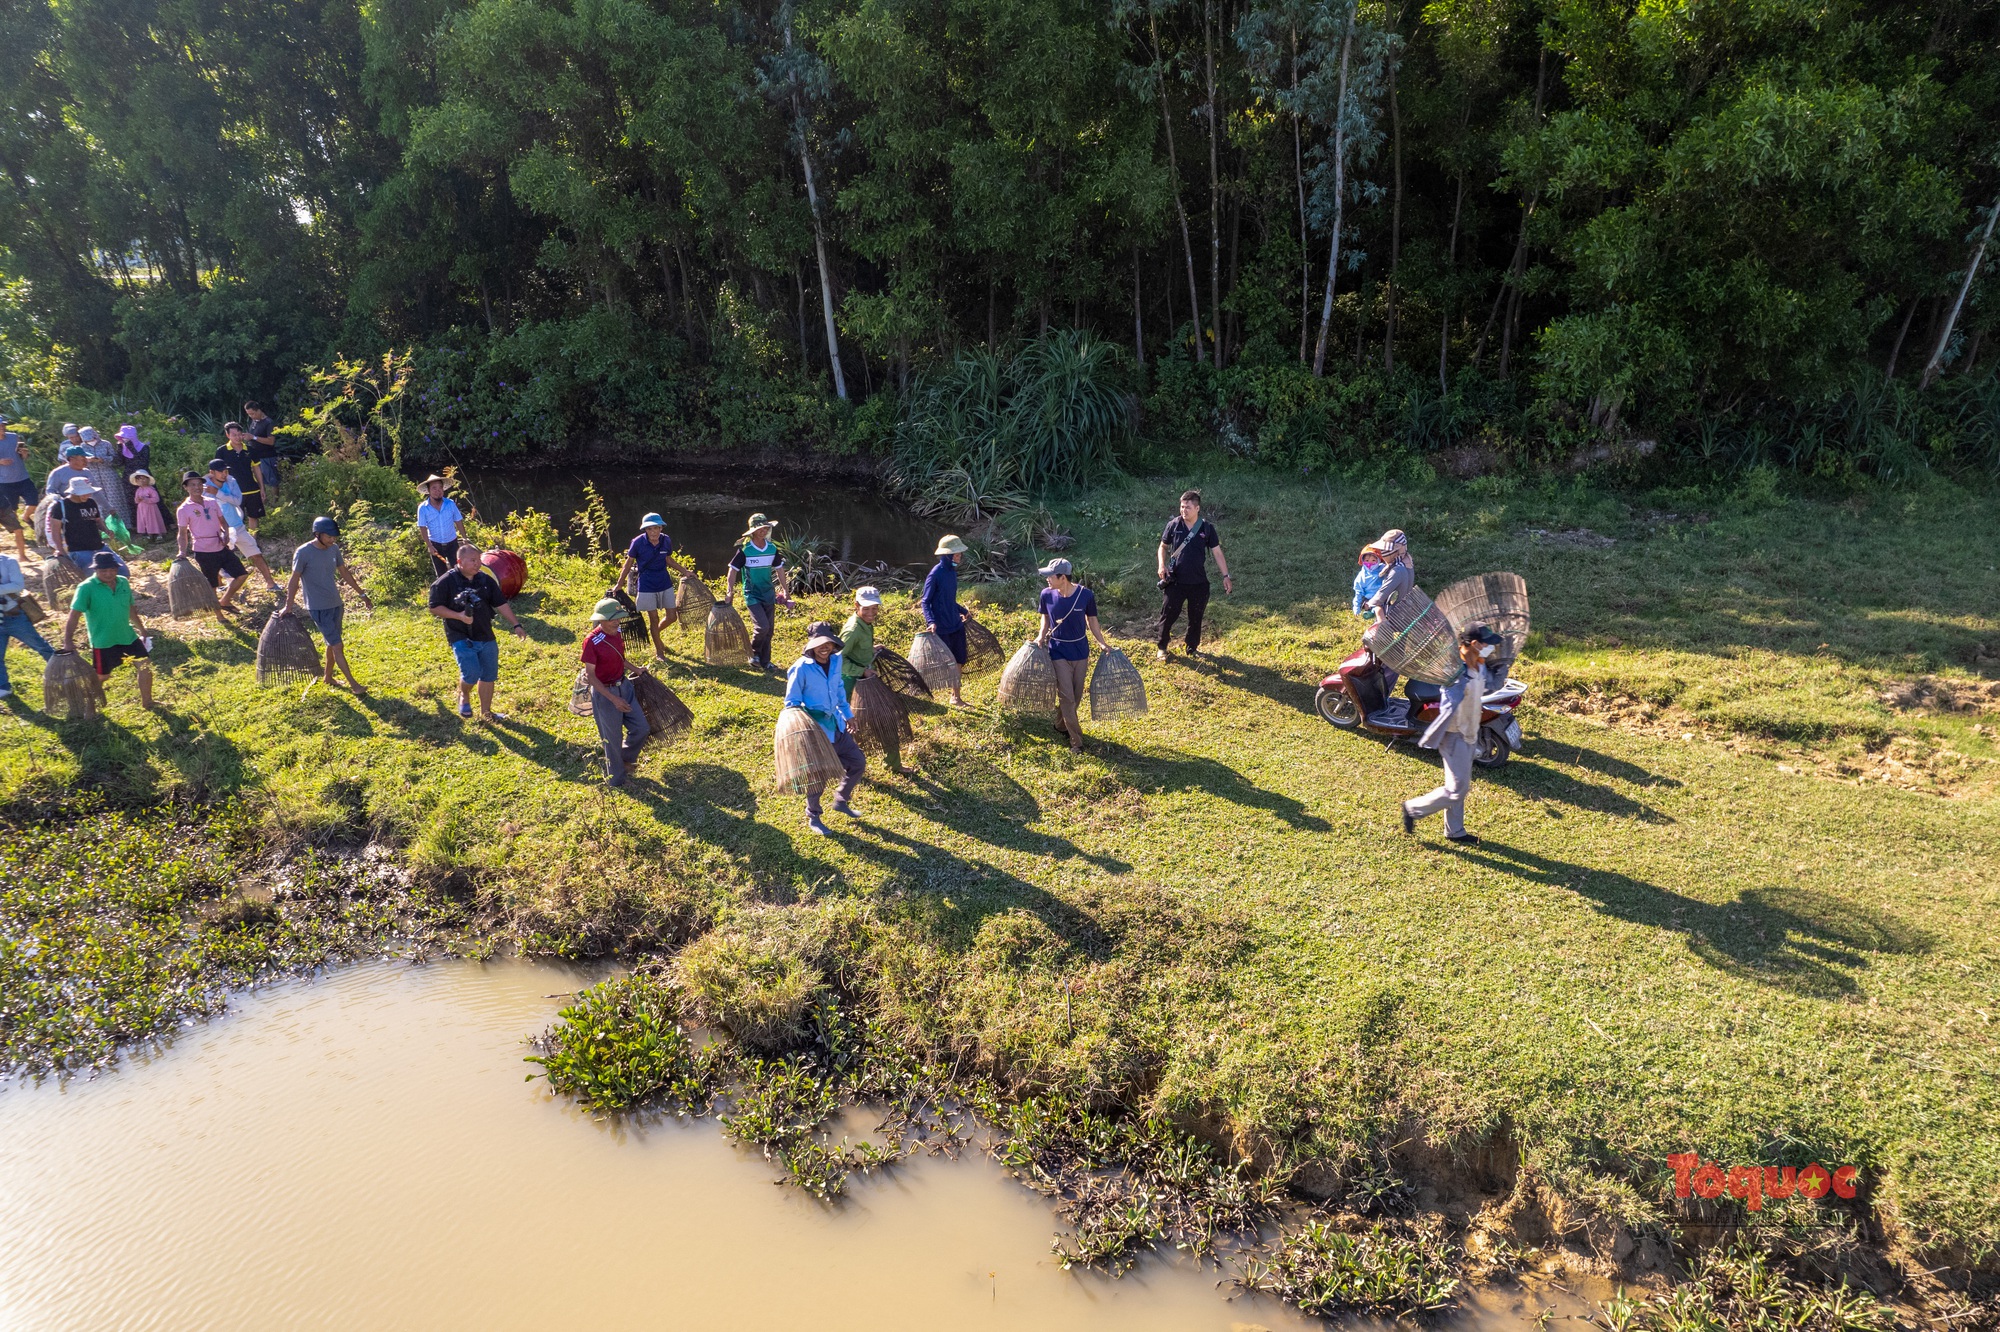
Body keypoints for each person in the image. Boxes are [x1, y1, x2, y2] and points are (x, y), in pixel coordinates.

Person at [1400, 625, 1503, 846]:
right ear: (1475, 644)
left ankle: (1455, 831)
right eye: (1487, 644)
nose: (1490, 647)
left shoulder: (1478, 665)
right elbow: (1450, 698)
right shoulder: (1455, 672)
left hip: (1468, 733)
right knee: (1457, 790)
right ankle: (1412, 809)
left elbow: (1488, 685)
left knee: (1459, 784)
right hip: (1454, 736)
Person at [784, 620, 866, 836]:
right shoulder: (800, 668)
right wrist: (809, 718)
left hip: (837, 724)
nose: (824, 649)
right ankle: (814, 816)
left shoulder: (836, 661)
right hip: (815, 730)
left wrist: (848, 716)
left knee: (857, 761)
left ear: (833, 644)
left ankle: (841, 799)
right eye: (820, 644)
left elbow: (838, 690)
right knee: (817, 775)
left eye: (828, 644)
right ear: (811, 645)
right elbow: (791, 702)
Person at [429, 541, 526, 722]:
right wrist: (458, 615)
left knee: (489, 674)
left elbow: (500, 603)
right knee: (471, 674)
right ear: (459, 561)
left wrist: (516, 625)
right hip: (460, 635)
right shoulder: (445, 582)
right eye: (472, 560)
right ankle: (464, 694)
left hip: (485, 633)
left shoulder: (485, 580)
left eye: (478, 560)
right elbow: (434, 607)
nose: (477, 564)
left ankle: (486, 713)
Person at [284, 516, 374, 692]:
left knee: (332, 644)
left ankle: (328, 677)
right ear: (317, 534)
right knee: (338, 645)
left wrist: (362, 594)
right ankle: (354, 685)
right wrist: (288, 605)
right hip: (318, 607)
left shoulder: (333, 549)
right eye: (329, 536)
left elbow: (344, 573)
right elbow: (294, 580)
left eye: (334, 537)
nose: (333, 540)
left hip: (335, 604)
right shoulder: (303, 552)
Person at [1035, 558, 1116, 753]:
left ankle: (1060, 724)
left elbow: (1092, 621)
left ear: (1062, 577)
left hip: (1080, 651)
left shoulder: (1085, 595)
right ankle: (1076, 741)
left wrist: (1102, 642)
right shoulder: (1046, 595)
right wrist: (1040, 637)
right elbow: (1045, 620)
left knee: (1076, 695)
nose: (1047, 579)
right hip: (1058, 651)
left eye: (1050, 576)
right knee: (1067, 697)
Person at [65, 550, 154, 710]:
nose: (108, 573)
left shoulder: (122, 582)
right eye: (103, 570)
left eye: (112, 569)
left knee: (145, 666)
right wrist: (68, 641)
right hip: (104, 641)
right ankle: (89, 708)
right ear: (95, 570)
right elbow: (74, 615)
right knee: (102, 676)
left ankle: (148, 702)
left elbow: (131, 609)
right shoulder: (86, 588)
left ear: (117, 569)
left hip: (127, 636)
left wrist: (142, 629)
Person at [1155, 489, 1231, 662]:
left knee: (1196, 617)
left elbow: (1217, 552)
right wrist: (1161, 565)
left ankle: (1192, 647)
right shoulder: (1174, 525)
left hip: (1198, 582)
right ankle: (1162, 647)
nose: (1183, 511)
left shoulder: (1207, 528)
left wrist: (1226, 576)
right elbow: (1163, 546)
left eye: (1187, 507)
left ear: (1197, 508)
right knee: (1168, 615)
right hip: (1175, 581)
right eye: (1182, 507)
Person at [580, 598, 649, 787]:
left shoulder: (617, 632)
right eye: (612, 619)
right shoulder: (592, 641)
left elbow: (621, 659)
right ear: (601, 620)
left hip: (624, 686)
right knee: (612, 739)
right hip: (605, 694)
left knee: (641, 728)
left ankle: (625, 759)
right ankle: (617, 781)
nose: (617, 622)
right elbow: (591, 676)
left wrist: (636, 669)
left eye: (618, 618)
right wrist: (613, 699)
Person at [839, 585, 905, 773]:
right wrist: (862, 671)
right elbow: (838, 660)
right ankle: (849, 766)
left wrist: (871, 649)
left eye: (874, 608)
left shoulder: (865, 624)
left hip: (865, 679)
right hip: (852, 682)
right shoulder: (852, 629)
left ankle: (893, 763)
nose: (871, 612)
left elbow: (856, 651)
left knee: (884, 718)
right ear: (856, 606)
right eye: (866, 609)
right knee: (853, 724)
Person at [204, 458, 280, 594]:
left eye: (225, 470)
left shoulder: (231, 481)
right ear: (211, 472)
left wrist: (218, 493)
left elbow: (238, 500)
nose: (224, 473)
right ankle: (220, 587)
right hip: (218, 530)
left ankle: (271, 583)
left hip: (237, 526)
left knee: (255, 553)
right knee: (218, 559)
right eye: (220, 471)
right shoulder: (204, 487)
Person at [725, 513, 789, 674]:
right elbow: (732, 571)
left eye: (766, 528)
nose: (763, 530)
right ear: (753, 531)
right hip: (752, 595)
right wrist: (729, 592)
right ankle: (753, 653)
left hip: (769, 595)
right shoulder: (745, 550)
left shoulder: (772, 548)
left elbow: (780, 570)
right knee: (762, 627)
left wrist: (785, 591)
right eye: (760, 528)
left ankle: (765, 661)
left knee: (770, 630)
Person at [176, 472, 247, 615]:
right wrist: (182, 552)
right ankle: (219, 615)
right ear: (186, 487)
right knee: (213, 584)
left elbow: (223, 521)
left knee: (242, 574)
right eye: (193, 485)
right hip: (203, 551)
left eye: (199, 484)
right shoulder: (184, 509)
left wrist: (226, 533)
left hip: (221, 546)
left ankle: (225, 601)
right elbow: (183, 533)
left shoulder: (211, 502)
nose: (197, 487)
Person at [919, 534, 977, 707]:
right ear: (946, 555)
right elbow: (925, 601)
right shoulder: (935, 574)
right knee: (950, 662)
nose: (959, 557)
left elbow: (949, 600)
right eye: (956, 554)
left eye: (960, 553)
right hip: (942, 626)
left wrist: (963, 610)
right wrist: (931, 621)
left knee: (959, 660)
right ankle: (952, 695)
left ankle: (955, 697)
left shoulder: (952, 572)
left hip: (956, 624)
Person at [1357, 528, 1414, 694]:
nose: (1381, 553)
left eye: (1385, 551)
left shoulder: (1398, 571)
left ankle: (1380, 694)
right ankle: (1381, 691)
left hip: (1393, 619)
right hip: (1403, 615)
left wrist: (1367, 605)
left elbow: (1381, 595)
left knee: (1387, 658)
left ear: (1396, 552)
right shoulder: (1406, 563)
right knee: (1392, 657)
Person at [615, 512, 677, 658]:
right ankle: (659, 652)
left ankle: (655, 633)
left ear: (661, 528)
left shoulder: (666, 540)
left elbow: (669, 560)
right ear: (645, 530)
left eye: (656, 528)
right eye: (649, 529)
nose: (653, 532)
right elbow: (628, 563)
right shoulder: (637, 542)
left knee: (672, 616)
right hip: (647, 584)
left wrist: (686, 572)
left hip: (664, 581)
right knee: (653, 618)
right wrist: (619, 583)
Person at [0, 548, 55, 699]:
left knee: (40, 646)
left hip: (14, 616)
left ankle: (61, 672)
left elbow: (18, 585)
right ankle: (3, 686)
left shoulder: (7, 562)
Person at [51, 476, 125, 574]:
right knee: (97, 576)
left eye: (89, 492)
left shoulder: (91, 502)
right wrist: (60, 550)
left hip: (99, 547)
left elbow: (98, 521)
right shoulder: (60, 506)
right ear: (74, 492)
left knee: (123, 572)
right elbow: (55, 531)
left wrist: (106, 530)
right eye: (84, 493)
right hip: (79, 550)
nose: (88, 495)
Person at [78, 426, 132, 528]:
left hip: (109, 474)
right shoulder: (82, 447)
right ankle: (106, 528)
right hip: (93, 476)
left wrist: (102, 459)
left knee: (116, 499)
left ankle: (123, 525)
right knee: (98, 501)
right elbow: (80, 463)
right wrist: (88, 460)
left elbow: (115, 459)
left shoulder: (105, 444)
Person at [414, 475, 467, 578]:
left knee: (458, 571)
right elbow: (422, 528)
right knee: (441, 575)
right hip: (436, 544)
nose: (437, 491)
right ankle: (445, 593)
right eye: (434, 488)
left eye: (440, 488)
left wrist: (465, 538)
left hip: (452, 543)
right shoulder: (423, 508)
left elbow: (458, 521)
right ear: (428, 490)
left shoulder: (450, 504)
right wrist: (429, 545)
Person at [216, 422, 265, 529]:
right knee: (235, 518)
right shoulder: (222, 451)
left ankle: (253, 542)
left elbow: (257, 469)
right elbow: (217, 472)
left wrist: (262, 488)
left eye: (239, 434)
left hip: (252, 489)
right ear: (227, 435)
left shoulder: (250, 450)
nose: (238, 437)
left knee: (254, 516)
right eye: (234, 435)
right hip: (232, 492)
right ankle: (237, 543)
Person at [0, 414, 34, 559]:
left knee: (34, 501)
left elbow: (23, 456)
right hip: (4, 482)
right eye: (0, 425)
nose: (2, 427)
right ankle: (18, 539)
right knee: (11, 510)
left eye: (3, 425)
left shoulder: (14, 437)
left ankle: (26, 518)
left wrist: (24, 454)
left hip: (22, 477)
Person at [242, 402, 281, 502]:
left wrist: (253, 437)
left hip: (267, 456)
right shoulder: (254, 422)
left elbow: (271, 441)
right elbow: (253, 437)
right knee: (259, 480)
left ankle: (275, 502)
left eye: (252, 414)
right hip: (256, 457)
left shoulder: (269, 423)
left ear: (258, 410)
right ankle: (264, 501)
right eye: (249, 414)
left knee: (272, 480)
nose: (251, 416)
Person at [130, 470, 166, 539]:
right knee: (145, 521)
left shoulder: (151, 489)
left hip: (151, 508)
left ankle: (159, 534)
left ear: (148, 479)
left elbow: (156, 499)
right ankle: (150, 534)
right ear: (137, 481)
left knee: (153, 520)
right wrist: (138, 499)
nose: (142, 481)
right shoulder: (138, 490)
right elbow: (136, 500)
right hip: (142, 509)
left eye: (144, 479)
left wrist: (146, 499)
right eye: (139, 479)